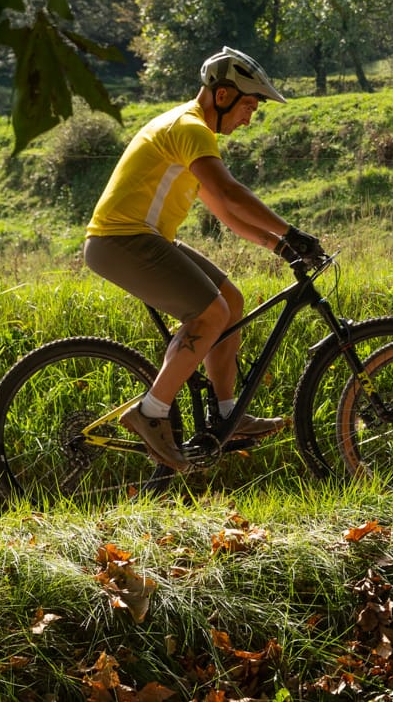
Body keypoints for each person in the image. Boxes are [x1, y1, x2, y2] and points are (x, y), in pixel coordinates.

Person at [83, 46, 325, 471]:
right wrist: (291, 231)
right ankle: (152, 411)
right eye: (248, 105)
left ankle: (226, 413)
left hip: (142, 237)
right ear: (223, 95)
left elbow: (224, 210)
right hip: (122, 240)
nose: (250, 117)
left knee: (229, 302)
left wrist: (280, 246)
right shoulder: (191, 128)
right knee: (210, 314)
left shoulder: (194, 132)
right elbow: (232, 193)